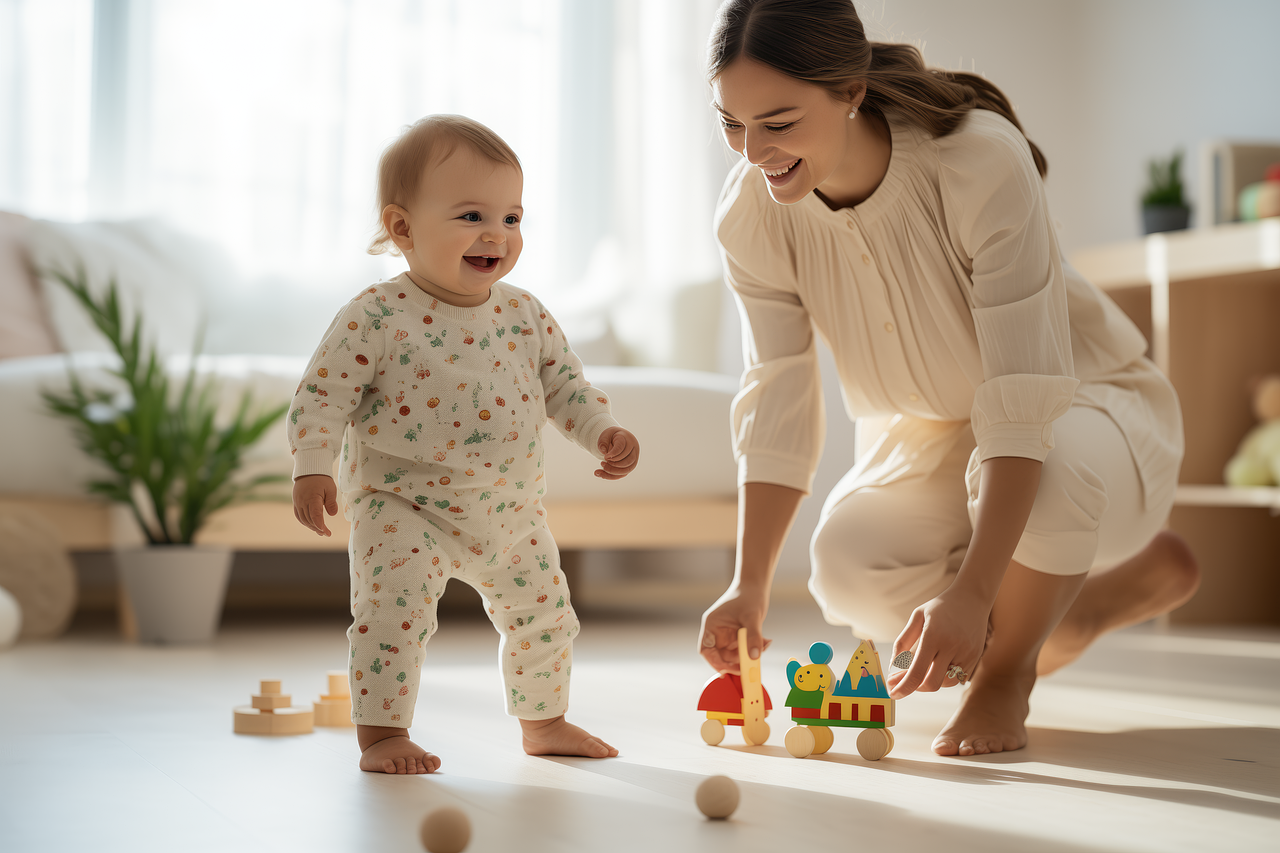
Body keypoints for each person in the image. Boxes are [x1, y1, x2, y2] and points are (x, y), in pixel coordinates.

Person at [697, 0, 1200, 757]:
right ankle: (1080, 606)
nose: (754, 152)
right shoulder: (750, 216)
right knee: (847, 564)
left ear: (851, 91)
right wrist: (750, 584)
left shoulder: (976, 161)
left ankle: (1009, 675)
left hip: (1087, 411)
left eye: (779, 121)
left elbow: (1024, 394)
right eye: (731, 124)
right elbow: (777, 392)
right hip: (934, 434)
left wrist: (970, 593)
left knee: (1053, 480)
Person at [287, 115, 639, 774]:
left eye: (512, 217)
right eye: (473, 214)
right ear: (402, 228)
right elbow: (322, 394)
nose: (496, 235)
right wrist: (313, 466)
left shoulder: (525, 313)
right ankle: (385, 733)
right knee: (393, 617)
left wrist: (603, 432)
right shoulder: (376, 315)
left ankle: (545, 721)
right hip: (402, 504)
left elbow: (567, 387)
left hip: (510, 510)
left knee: (546, 615)